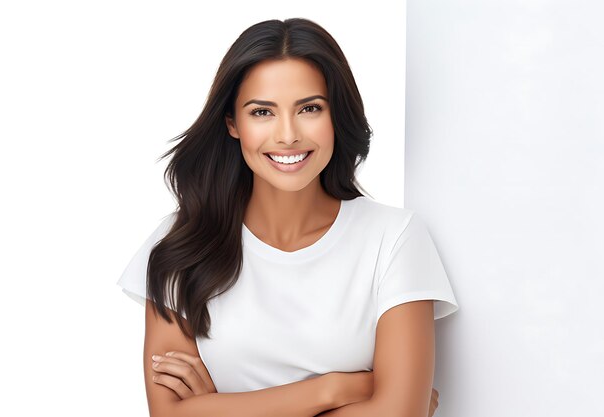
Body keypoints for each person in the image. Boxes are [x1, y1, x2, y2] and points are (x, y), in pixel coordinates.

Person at [117, 17, 459, 417]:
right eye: (262, 112)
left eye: (310, 108)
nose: (287, 135)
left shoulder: (394, 238)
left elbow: (397, 412)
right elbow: (170, 415)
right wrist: (332, 389)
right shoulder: (183, 244)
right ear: (232, 123)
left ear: (337, 116)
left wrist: (219, 409)